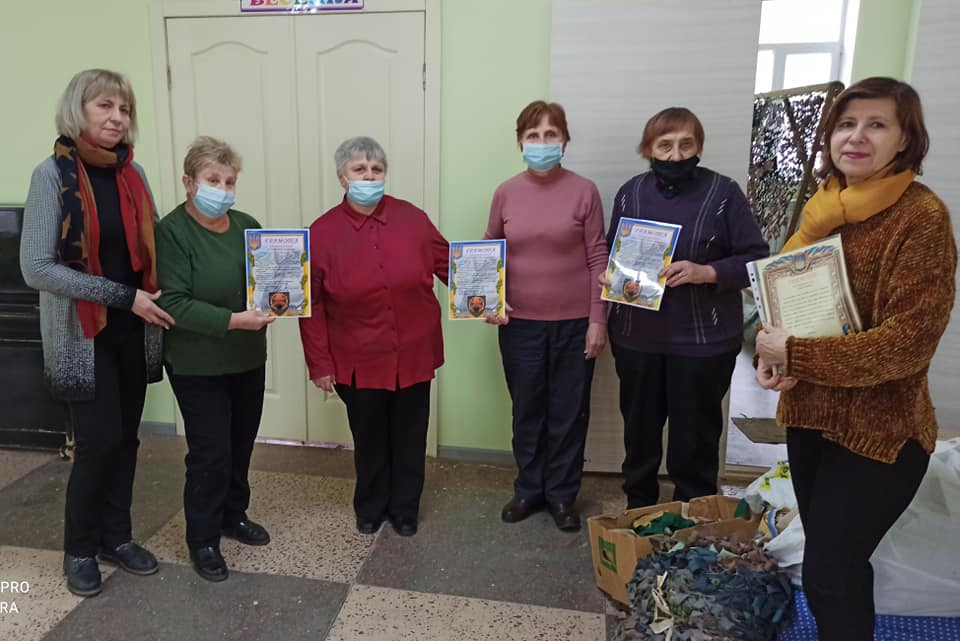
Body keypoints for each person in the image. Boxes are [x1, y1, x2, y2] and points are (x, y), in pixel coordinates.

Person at [756, 77, 956, 641]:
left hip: (881, 434)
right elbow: (793, 308)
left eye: (877, 125)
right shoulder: (824, 210)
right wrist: (776, 358)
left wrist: (796, 353)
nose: (857, 137)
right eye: (846, 124)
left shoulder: (921, 218)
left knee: (828, 575)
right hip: (809, 418)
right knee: (836, 569)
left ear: (905, 139)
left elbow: (907, 344)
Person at [20, 69, 173, 596]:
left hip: (132, 331)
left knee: (126, 439)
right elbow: (37, 268)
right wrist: (123, 296)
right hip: (83, 336)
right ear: (77, 111)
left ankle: (117, 537)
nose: (117, 118)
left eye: (124, 109)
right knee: (98, 443)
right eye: (105, 106)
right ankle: (80, 548)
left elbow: (157, 246)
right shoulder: (51, 175)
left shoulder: (133, 173)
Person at [606, 107, 769, 510]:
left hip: (703, 343)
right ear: (648, 149)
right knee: (639, 435)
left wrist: (706, 272)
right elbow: (614, 252)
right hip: (637, 339)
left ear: (699, 147)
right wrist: (610, 277)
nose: (676, 155)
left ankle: (695, 517)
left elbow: (756, 260)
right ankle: (638, 512)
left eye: (686, 144)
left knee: (694, 441)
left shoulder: (724, 193)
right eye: (665, 145)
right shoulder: (630, 192)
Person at [299, 136, 448, 537]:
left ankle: (405, 508)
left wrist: (487, 300)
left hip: (414, 352)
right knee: (369, 437)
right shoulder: (321, 233)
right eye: (359, 169)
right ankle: (370, 506)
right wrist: (319, 364)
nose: (369, 177)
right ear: (342, 177)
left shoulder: (413, 219)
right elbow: (310, 305)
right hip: (357, 358)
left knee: (410, 435)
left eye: (376, 169)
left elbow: (451, 265)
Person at [484, 100, 608, 532]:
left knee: (568, 413)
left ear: (565, 141)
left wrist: (598, 319)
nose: (542, 143)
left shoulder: (584, 191)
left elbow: (598, 256)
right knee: (527, 410)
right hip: (519, 325)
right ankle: (528, 490)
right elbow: (489, 251)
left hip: (575, 324)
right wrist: (489, 300)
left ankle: (561, 495)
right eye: (533, 135)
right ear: (520, 141)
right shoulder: (506, 192)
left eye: (550, 134)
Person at [156, 136, 275, 582]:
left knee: (241, 442)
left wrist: (280, 301)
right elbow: (174, 302)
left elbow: (268, 281)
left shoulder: (247, 226)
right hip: (196, 362)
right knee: (210, 452)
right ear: (189, 182)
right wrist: (235, 320)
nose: (222, 190)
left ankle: (233, 515)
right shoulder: (172, 232)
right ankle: (202, 538)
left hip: (247, 356)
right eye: (212, 180)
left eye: (229, 181)